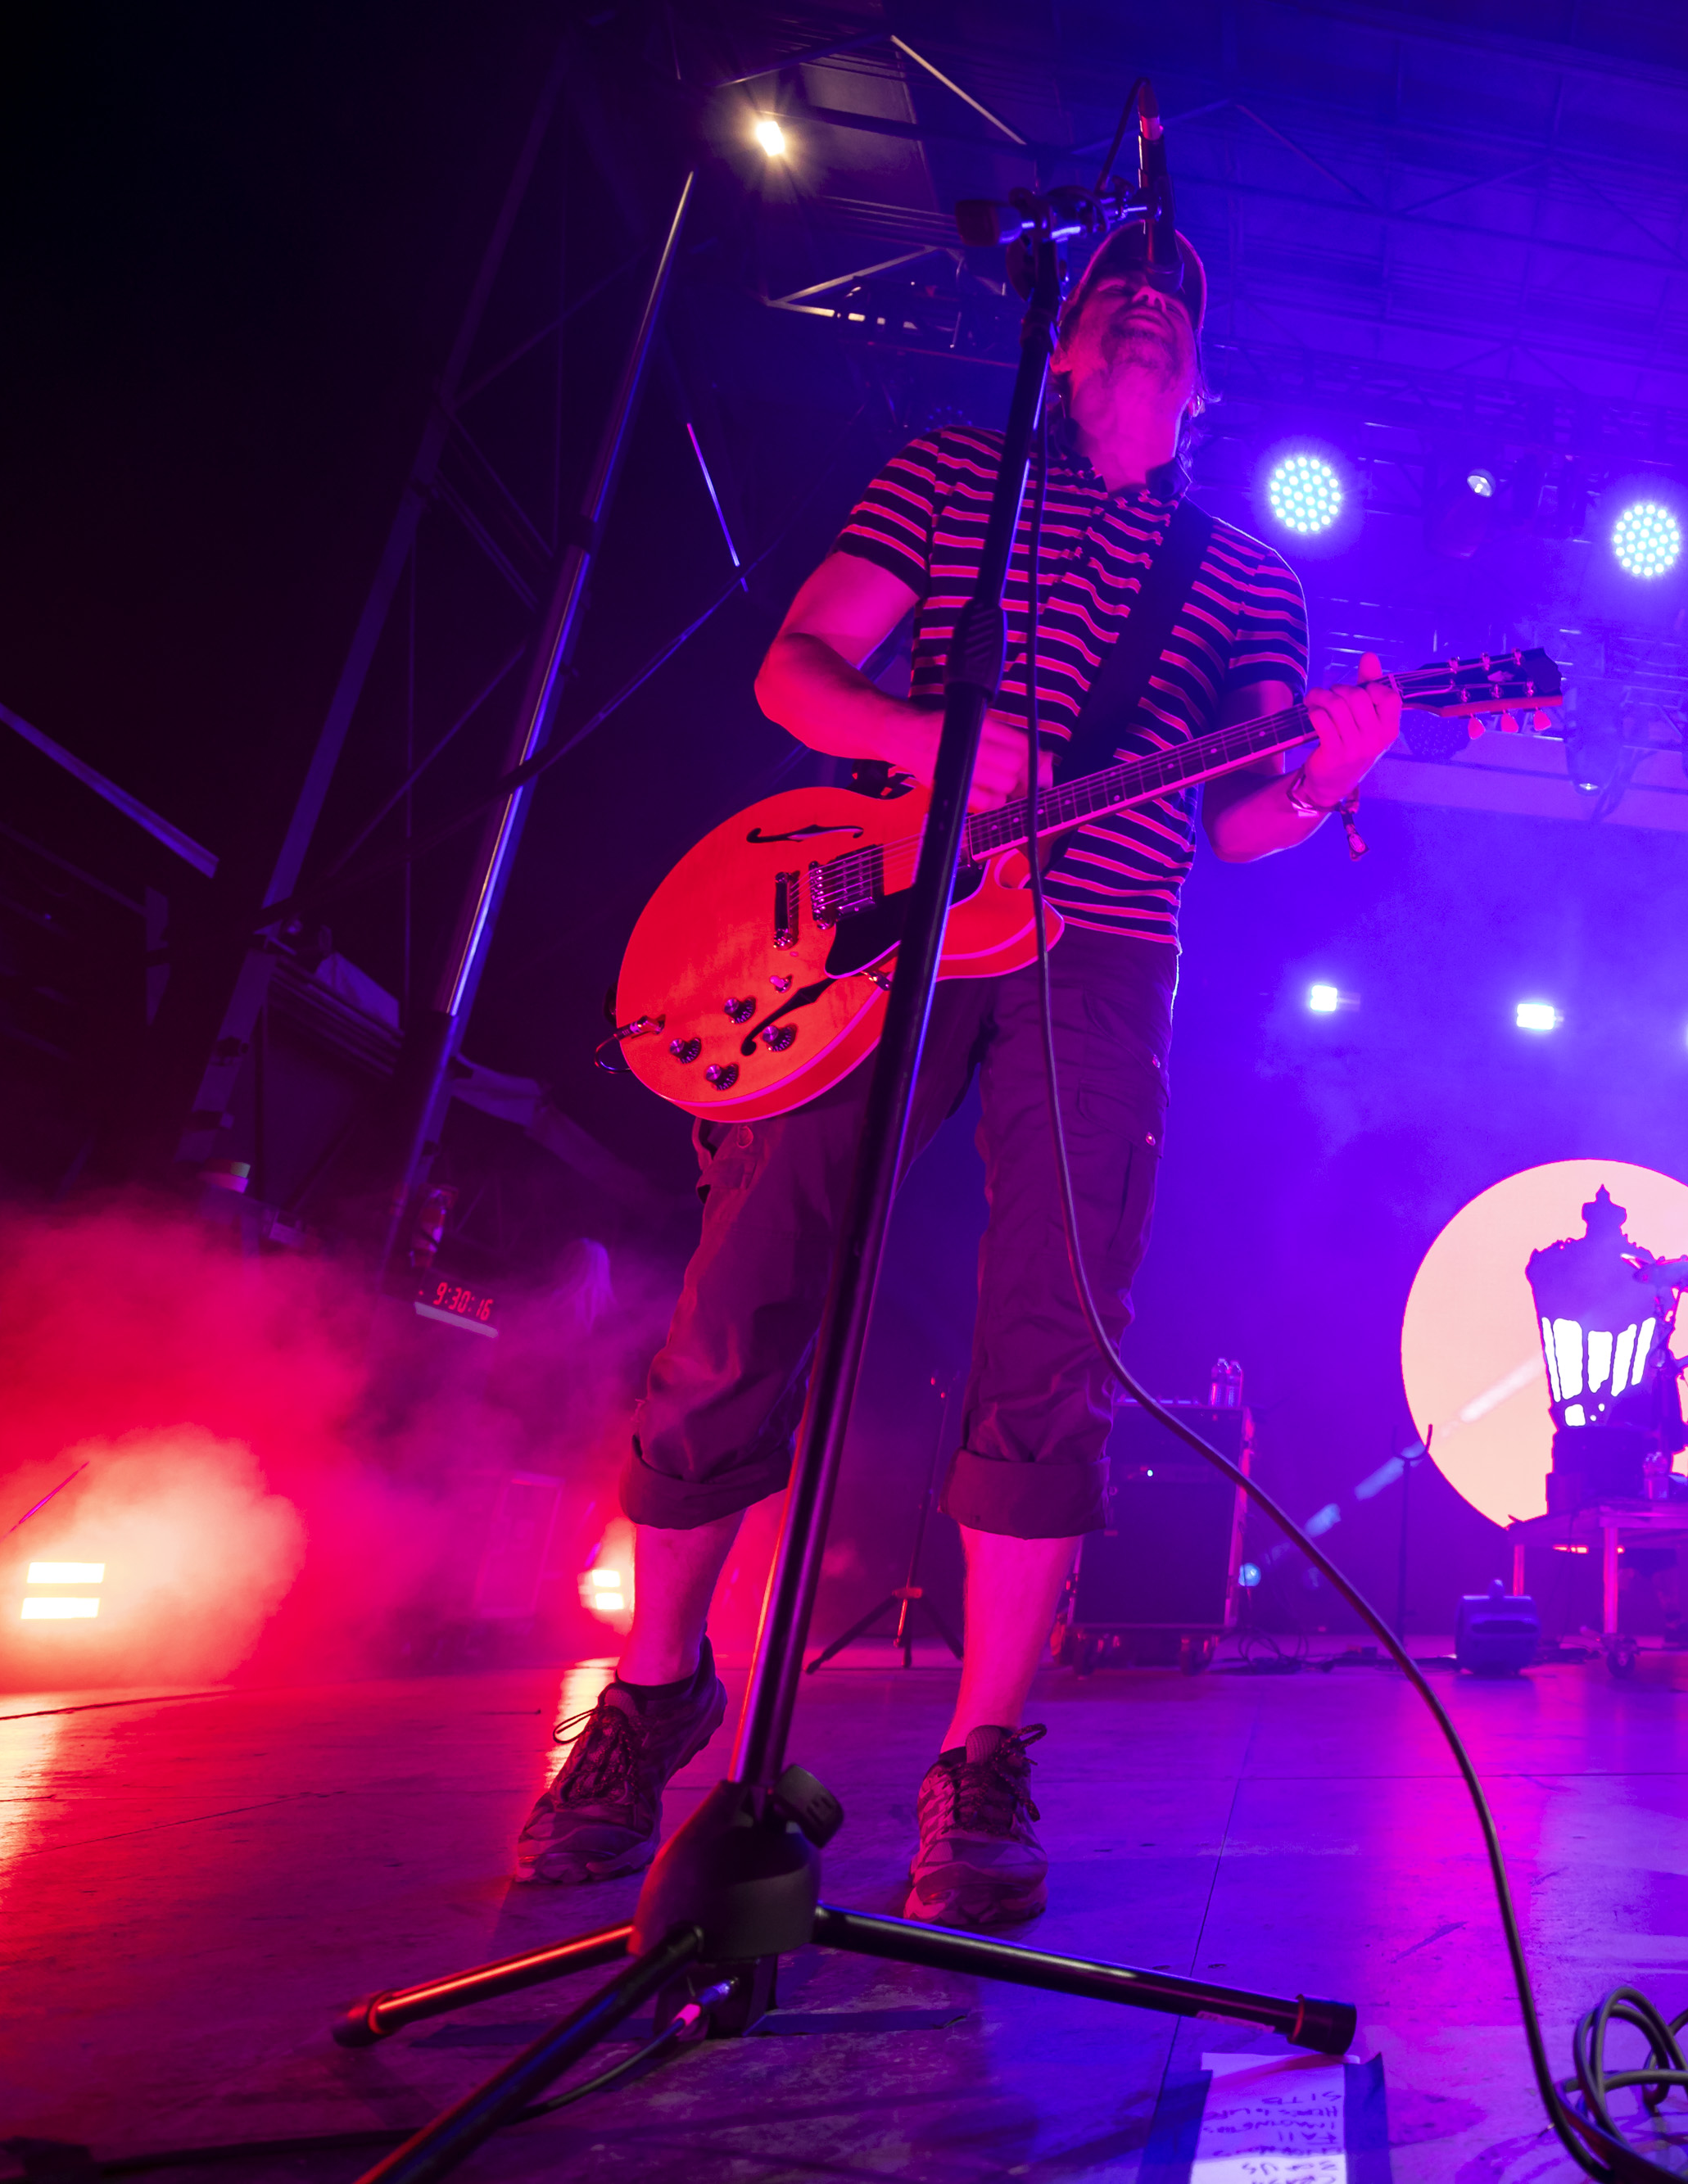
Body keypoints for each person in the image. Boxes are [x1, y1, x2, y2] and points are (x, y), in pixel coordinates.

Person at [513, 219, 1403, 1928]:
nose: (1143, 307)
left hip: (1102, 943)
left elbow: (1244, 819)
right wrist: (935, 739)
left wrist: (1330, 774)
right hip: (890, 922)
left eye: (1175, 305)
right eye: (1110, 294)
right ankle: (653, 1693)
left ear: (1201, 379)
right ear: (1058, 344)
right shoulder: (946, 477)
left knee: (1053, 1331)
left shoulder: (1243, 578)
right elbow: (793, 666)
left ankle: (983, 1749)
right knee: (744, 1280)